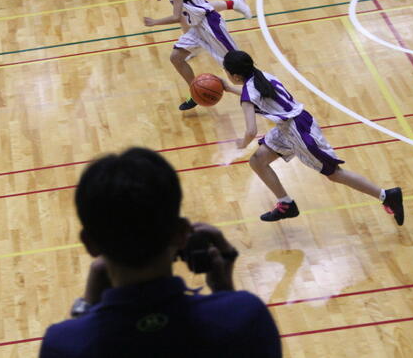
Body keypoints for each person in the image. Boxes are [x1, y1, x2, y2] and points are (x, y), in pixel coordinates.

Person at [40, 147, 282, 358]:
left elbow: (80, 340)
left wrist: (87, 308)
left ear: (89, 244)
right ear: (182, 232)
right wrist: (225, 291)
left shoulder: (62, 345)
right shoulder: (246, 317)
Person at [219, 50, 405, 224]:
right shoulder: (263, 76)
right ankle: (286, 204)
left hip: (298, 132)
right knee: (258, 161)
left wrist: (242, 143)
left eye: (226, 71)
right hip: (292, 124)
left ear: (236, 76)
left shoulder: (249, 95)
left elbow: (251, 131)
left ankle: (386, 195)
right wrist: (229, 88)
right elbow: (256, 95)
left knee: (334, 174)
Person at [143, 0, 250, 111]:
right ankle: (195, 93)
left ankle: (260, 91)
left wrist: (154, 22)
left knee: (236, 65)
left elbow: (176, 17)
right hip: (197, 27)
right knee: (176, 57)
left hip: (210, 25)